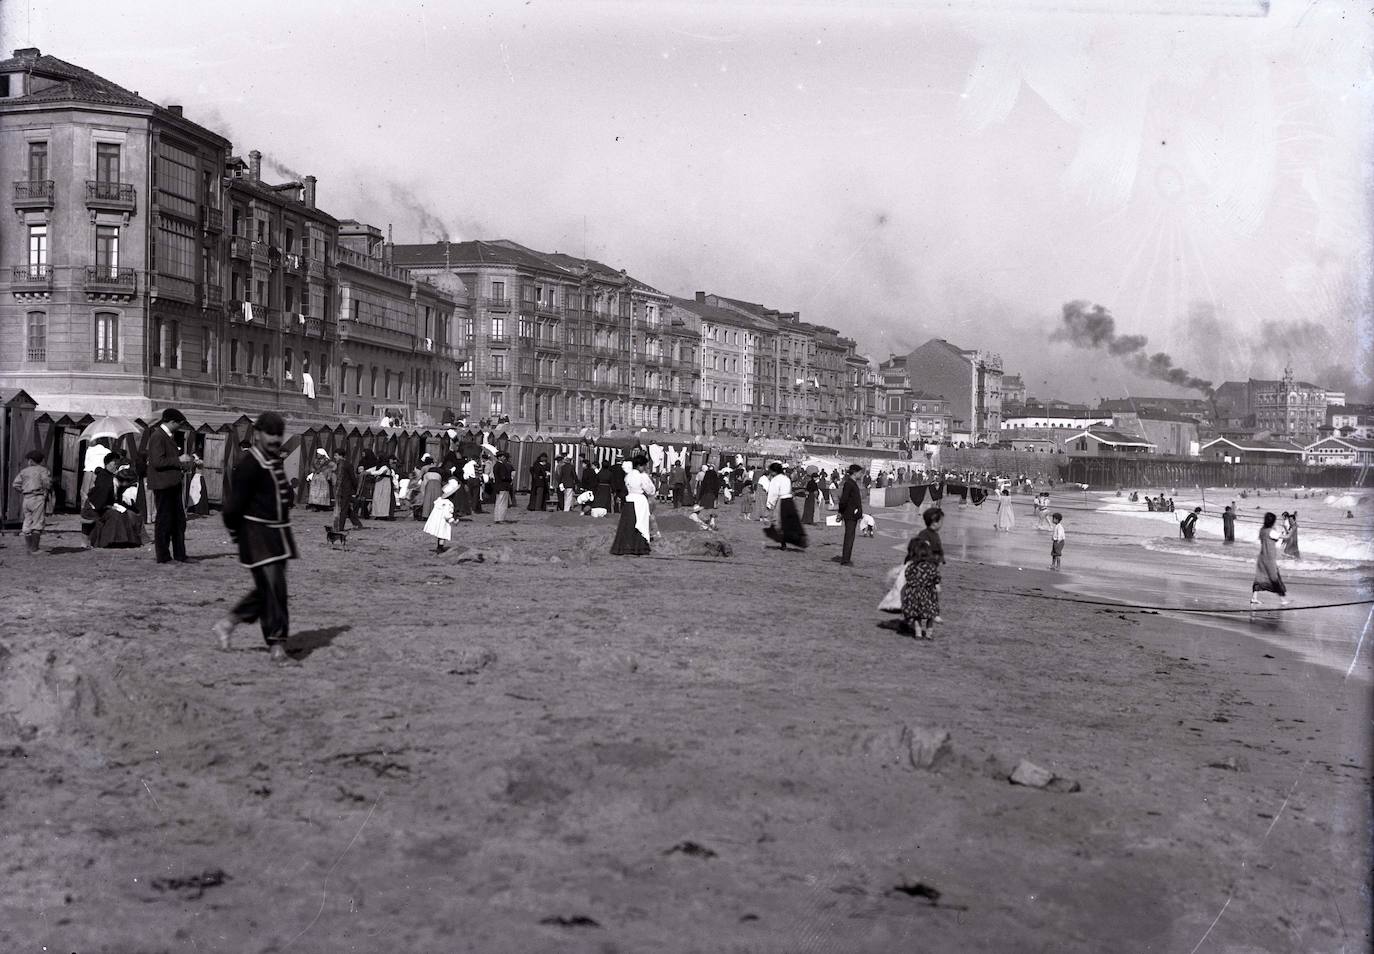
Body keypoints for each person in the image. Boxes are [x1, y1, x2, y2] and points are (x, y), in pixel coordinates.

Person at [213, 411, 299, 665]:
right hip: (256, 535)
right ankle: (277, 647)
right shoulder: (249, 464)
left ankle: (228, 623)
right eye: (270, 434)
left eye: (278, 436)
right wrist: (238, 536)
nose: (274, 440)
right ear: (258, 434)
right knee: (274, 589)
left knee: (269, 589)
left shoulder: (273, 460)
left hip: (278, 535)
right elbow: (231, 509)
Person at [146, 408, 192, 563]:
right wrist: (179, 460)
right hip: (163, 485)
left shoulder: (166, 436)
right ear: (172, 422)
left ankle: (180, 555)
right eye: (179, 424)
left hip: (172, 484)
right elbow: (158, 462)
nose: (179, 427)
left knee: (179, 521)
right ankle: (163, 556)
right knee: (164, 521)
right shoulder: (157, 436)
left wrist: (183, 463)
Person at [900, 507, 945, 639]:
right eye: (941, 521)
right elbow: (917, 550)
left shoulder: (934, 534)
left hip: (931, 568)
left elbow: (939, 551)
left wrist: (940, 561)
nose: (942, 524)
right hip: (925, 569)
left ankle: (930, 615)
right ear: (934, 522)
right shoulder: (924, 535)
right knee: (928, 595)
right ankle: (930, 616)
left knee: (932, 594)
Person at [85, 453, 145, 549]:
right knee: (115, 515)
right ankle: (108, 541)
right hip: (94, 508)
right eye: (113, 464)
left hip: (107, 506)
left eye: (116, 464)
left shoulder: (111, 478)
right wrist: (109, 506)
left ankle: (126, 540)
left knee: (126, 513)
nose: (115, 466)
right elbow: (99, 500)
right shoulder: (104, 479)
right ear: (107, 464)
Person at [610, 454, 653, 556]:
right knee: (640, 524)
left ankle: (623, 547)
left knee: (626, 525)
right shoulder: (642, 476)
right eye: (644, 466)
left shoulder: (628, 476)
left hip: (629, 501)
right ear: (640, 466)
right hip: (639, 500)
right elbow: (650, 490)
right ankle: (638, 547)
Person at [13, 448, 52, 554]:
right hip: (37, 497)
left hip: (26, 498)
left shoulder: (24, 471)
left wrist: (24, 491)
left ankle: (29, 547)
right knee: (37, 522)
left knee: (27, 521)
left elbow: (15, 484)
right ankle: (34, 548)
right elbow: (47, 483)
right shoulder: (43, 470)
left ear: (30, 460)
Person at [763, 461, 807, 550]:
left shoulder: (775, 480)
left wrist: (769, 504)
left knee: (779, 523)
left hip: (781, 501)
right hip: (789, 501)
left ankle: (783, 543)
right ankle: (798, 539)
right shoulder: (786, 478)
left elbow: (773, 493)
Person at [1251, 512, 1290, 606]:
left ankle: (1254, 598)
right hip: (1269, 558)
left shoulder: (1262, 530)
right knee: (1274, 578)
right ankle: (1283, 600)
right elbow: (1286, 537)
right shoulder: (1271, 532)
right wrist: (1291, 530)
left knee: (1259, 577)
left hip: (1262, 557)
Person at [835, 463, 864, 566]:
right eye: (860, 472)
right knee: (849, 537)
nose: (861, 475)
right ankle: (845, 559)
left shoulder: (852, 483)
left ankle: (846, 558)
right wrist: (840, 512)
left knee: (850, 536)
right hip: (850, 515)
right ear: (855, 473)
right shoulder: (849, 483)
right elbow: (844, 500)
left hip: (852, 514)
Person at [332, 449, 363, 533]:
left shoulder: (346, 465)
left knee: (344, 509)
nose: (335, 457)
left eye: (336, 455)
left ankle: (340, 527)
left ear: (340, 456)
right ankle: (357, 524)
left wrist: (356, 488)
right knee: (346, 508)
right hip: (342, 489)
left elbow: (352, 478)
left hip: (345, 489)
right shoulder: (341, 465)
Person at [425, 479, 460, 553]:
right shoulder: (448, 504)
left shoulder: (440, 501)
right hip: (443, 522)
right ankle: (440, 548)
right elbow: (447, 515)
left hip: (437, 520)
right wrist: (453, 521)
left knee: (440, 534)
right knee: (443, 534)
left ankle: (439, 546)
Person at [492, 451, 515, 523]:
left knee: (498, 502)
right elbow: (503, 477)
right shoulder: (501, 465)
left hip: (498, 486)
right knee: (503, 503)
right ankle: (501, 518)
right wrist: (510, 478)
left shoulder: (496, 465)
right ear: (499, 457)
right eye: (503, 456)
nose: (504, 458)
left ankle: (497, 518)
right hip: (503, 486)